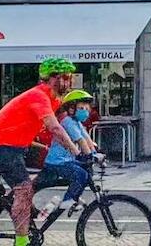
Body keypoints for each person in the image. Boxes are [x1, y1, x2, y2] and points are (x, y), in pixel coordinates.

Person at [0, 59, 82, 246]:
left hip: (20, 145)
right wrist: (77, 152)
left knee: (50, 168)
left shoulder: (53, 100)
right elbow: (55, 128)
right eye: (66, 78)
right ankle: (21, 241)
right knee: (24, 189)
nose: (70, 83)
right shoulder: (39, 96)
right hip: (1, 146)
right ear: (52, 79)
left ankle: (29, 210)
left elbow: (63, 127)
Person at [36, 90, 100, 218]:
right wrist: (89, 156)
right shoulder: (68, 122)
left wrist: (95, 154)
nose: (85, 111)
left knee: (86, 173)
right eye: (81, 108)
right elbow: (80, 141)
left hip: (66, 160)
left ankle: (73, 199)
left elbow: (87, 139)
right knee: (81, 175)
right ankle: (68, 201)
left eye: (87, 108)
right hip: (57, 161)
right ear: (71, 109)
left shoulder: (77, 122)